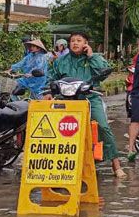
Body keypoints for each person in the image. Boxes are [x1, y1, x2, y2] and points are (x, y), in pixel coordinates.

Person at [48, 32, 126, 178]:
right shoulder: (61, 61)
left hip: (90, 98)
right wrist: (48, 91)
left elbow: (104, 72)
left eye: (79, 40)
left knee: (102, 126)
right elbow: (51, 77)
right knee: (58, 130)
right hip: (66, 101)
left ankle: (116, 165)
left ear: (85, 43)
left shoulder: (92, 58)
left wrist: (91, 56)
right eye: (72, 41)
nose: (75, 43)